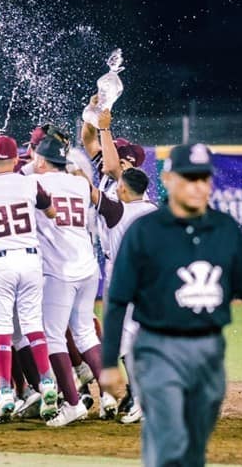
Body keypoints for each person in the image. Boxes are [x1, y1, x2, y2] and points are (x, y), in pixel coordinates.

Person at [100, 143, 242, 467]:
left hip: (209, 350)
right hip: (157, 348)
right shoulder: (145, 231)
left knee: (194, 447)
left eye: (203, 178)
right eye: (189, 178)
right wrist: (108, 362)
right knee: (171, 438)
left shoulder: (225, 229)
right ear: (169, 178)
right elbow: (117, 298)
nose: (198, 186)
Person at [0, 135, 59, 422]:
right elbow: (51, 213)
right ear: (16, 159)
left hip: (0, 261)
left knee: (2, 327)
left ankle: (5, 390)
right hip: (30, 258)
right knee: (32, 324)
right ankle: (48, 382)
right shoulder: (30, 183)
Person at [28, 134, 98, 427]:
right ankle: (117, 396)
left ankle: (71, 403)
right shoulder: (80, 183)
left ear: (42, 161)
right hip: (88, 266)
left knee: (53, 336)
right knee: (86, 334)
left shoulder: (36, 184)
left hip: (59, 270)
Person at [93, 167, 157, 424]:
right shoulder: (154, 211)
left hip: (130, 288)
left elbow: (88, 190)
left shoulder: (117, 211)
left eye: (119, 184)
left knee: (126, 346)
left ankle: (143, 402)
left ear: (124, 189)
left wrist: (70, 166)